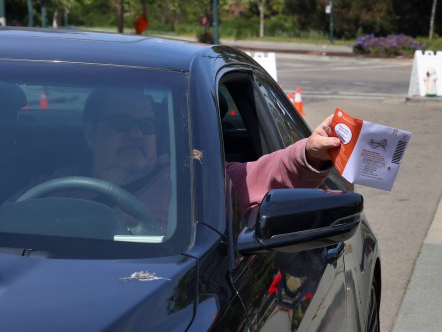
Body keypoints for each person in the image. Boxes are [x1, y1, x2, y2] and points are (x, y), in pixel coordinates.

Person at [8, 88, 341, 229]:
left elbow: (262, 175)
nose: (137, 134)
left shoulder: (191, 178)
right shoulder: (53, 188)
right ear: (91, 133)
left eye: (147, 126)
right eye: (122, 124)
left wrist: (308, 153)